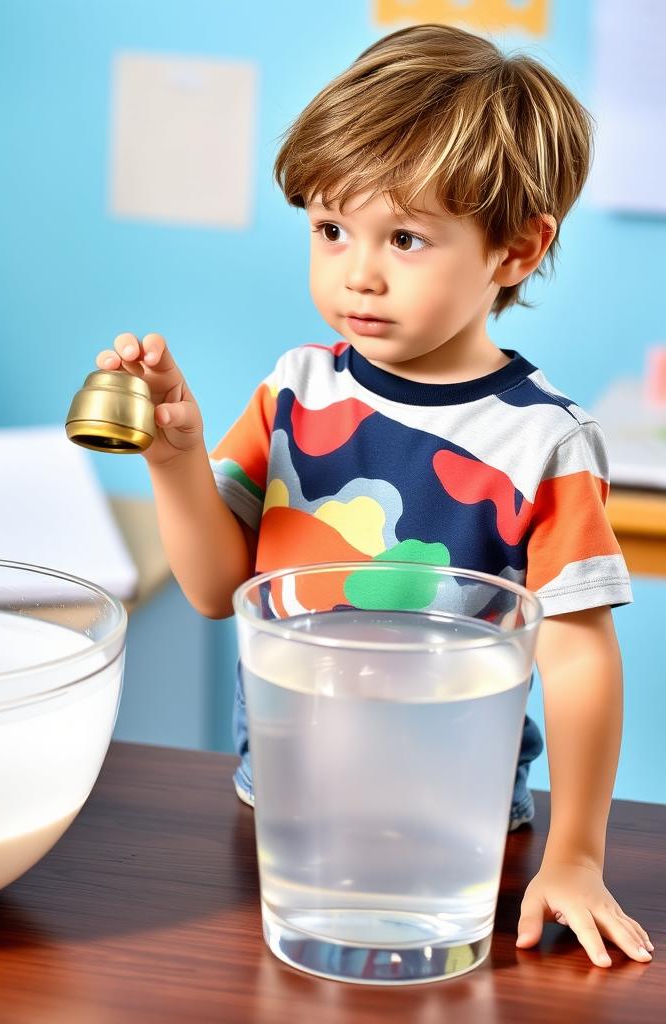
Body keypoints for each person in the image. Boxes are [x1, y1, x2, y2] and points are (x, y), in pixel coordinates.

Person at [94, 23, 651, 967]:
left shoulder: (541, 440)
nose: (358, 271)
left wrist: (578, 857)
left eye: (405, 237)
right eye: (330, 229)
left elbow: (579, 656)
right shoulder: (295, 391)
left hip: (455, 834)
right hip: (282, 810)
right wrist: (173, 457)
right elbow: (212, 586)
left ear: (516, 252)